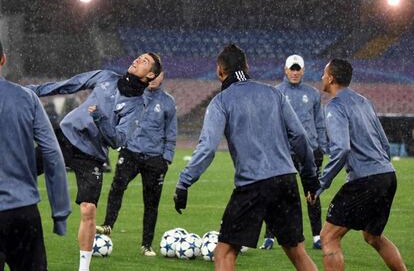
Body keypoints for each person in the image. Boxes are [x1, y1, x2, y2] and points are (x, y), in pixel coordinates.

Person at [174, 44, 320, 271]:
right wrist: (310, 179)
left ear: (219, 71)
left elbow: (208, 148)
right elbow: (300, 137)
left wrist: (184, 183)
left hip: (253, 184)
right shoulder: (275, 93)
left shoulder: (221, 102)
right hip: (286, 180)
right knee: (297, 252)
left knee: (224, 252)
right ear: (247, 66)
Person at [27, 53, 162, 271]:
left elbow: (118, 140)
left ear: (151, 75)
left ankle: (84, 268)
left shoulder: (137, 107)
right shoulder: (106, 77)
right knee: (19, 175)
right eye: (138, 57)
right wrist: (32, 90)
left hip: (90, 155)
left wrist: (100, 118)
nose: (137, 60)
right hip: (64, 138)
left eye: (144, 62)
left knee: (89, 209)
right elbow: (70, 85)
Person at [317, 59, 407, 271]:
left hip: (366, 180)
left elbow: (341, 149)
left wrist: (322, 183)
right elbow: (384, 143)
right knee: (373, 236)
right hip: (387, 175)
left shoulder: (335, 107)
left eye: (324, 73)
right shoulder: (363, 101)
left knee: (328, 237)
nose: (321, 77)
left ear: (330, 78)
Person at [0, 40, 71, 271]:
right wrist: (60, 213)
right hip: (22, 211)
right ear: (3, 60)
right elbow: (52, 153)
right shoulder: (26, 98)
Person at [96, 71, 177, 256]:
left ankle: (146, 245)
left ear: (162, 76)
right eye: (151, 76)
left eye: (157, 75)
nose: (154, 79)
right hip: (130, 153)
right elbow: (116, 119)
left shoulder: (167, 102)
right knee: (117, 187)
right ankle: (108, 224)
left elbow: (171, 132)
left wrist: (167, 158)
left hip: (155, 159)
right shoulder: (131, 97)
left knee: (151, 203)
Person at [260, 54, 327, 250]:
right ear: (285, 70)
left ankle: (316, 236)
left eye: (298, 69)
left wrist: (321, 147)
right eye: (292, 68)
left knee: (313, 194)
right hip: (284, 151)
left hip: (310, 152)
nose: (295, 72)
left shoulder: (313, 94)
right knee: (277, 194)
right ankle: (269, 237)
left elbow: (319, 123)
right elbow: (269, 124)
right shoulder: (275, 92)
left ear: (303, 70)